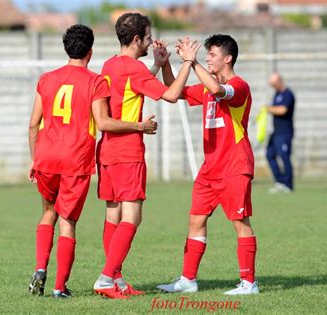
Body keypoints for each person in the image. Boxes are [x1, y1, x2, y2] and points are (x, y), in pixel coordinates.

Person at [27, 24, 158, 299]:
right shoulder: (95, 81)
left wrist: (34, 157)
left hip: (46, 157)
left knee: (48, 213)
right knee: (68, 223)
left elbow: (32, 125)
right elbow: (103, 122)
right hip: (75, 159)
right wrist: (138, 126)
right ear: (90, 51)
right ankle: (59, 287)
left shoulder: (46, 79)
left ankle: (40, 269)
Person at [93, 12, 201, 299]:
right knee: (133, 216)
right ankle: (106, 278)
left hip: (105, 150)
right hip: (128, 151)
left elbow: (132, 88)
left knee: (113, 216)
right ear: (137, 38)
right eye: (149, 38)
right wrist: (187, 63)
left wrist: (157, 64)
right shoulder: (133, 68)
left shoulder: (110, 64)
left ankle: (115, 279)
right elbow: (170, 94)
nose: (152, 43)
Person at [155, 34, 259, 295]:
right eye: (207, 55)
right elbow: (173, 88)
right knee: (195, 221)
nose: (208, 59)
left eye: (212, 55)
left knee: (240, 222)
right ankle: (188, 280)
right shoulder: (204, 86)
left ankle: (249, 283)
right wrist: (168, 64)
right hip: (209, 169)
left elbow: (217, 90)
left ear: (228, 58)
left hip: (235, 166)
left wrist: (192, 62)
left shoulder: (240, 86)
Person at [266, 72, 295, 193]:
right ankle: (279, 181)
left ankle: (288, 184)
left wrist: (267, 109)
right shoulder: (276, 94)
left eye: (274, 84)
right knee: (269, 154)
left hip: (285, 133)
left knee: (284, 157)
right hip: (276, 132)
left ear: (279, 81)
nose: (273, 86)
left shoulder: (288, 94)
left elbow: (283, 110)